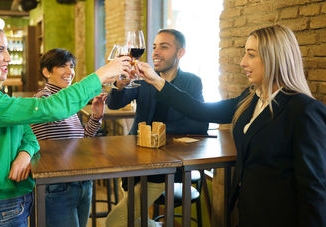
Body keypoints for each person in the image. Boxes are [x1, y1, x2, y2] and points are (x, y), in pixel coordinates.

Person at [137, 25, 326, 227]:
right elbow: (201, 110)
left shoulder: (304, 110)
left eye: (251, 55)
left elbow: (313, 190)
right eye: (245, 54)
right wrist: (157, 81)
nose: (243, 62)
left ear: (274, 58)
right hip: (249, 212)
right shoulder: (252, 98)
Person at [0, 22, 131, 227]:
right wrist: (100, 75)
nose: (8, 57)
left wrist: (25, 153)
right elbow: (51, 108)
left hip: (10, 204)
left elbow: (29, 132)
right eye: (0, 50)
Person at [105, 29, 208, 227]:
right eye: (154, 47)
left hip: (165, 165)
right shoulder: (144, 79)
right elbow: (114, 104)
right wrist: (119, 85)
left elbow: (200, 124)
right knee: (132, 219)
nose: (155, 52)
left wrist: (156, 133)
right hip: (133, 161)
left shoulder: (192, 82)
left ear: (180, 53)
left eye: (164, 46)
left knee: (115, 222)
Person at [30, 48, 106, 227]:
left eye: (71, 66)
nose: (70, 72)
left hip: (81, 180)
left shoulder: (67, 102)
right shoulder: (44, 99)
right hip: (58, 184)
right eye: (62, 66)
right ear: (46, 72)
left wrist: (95, 116)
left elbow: (82, 140)